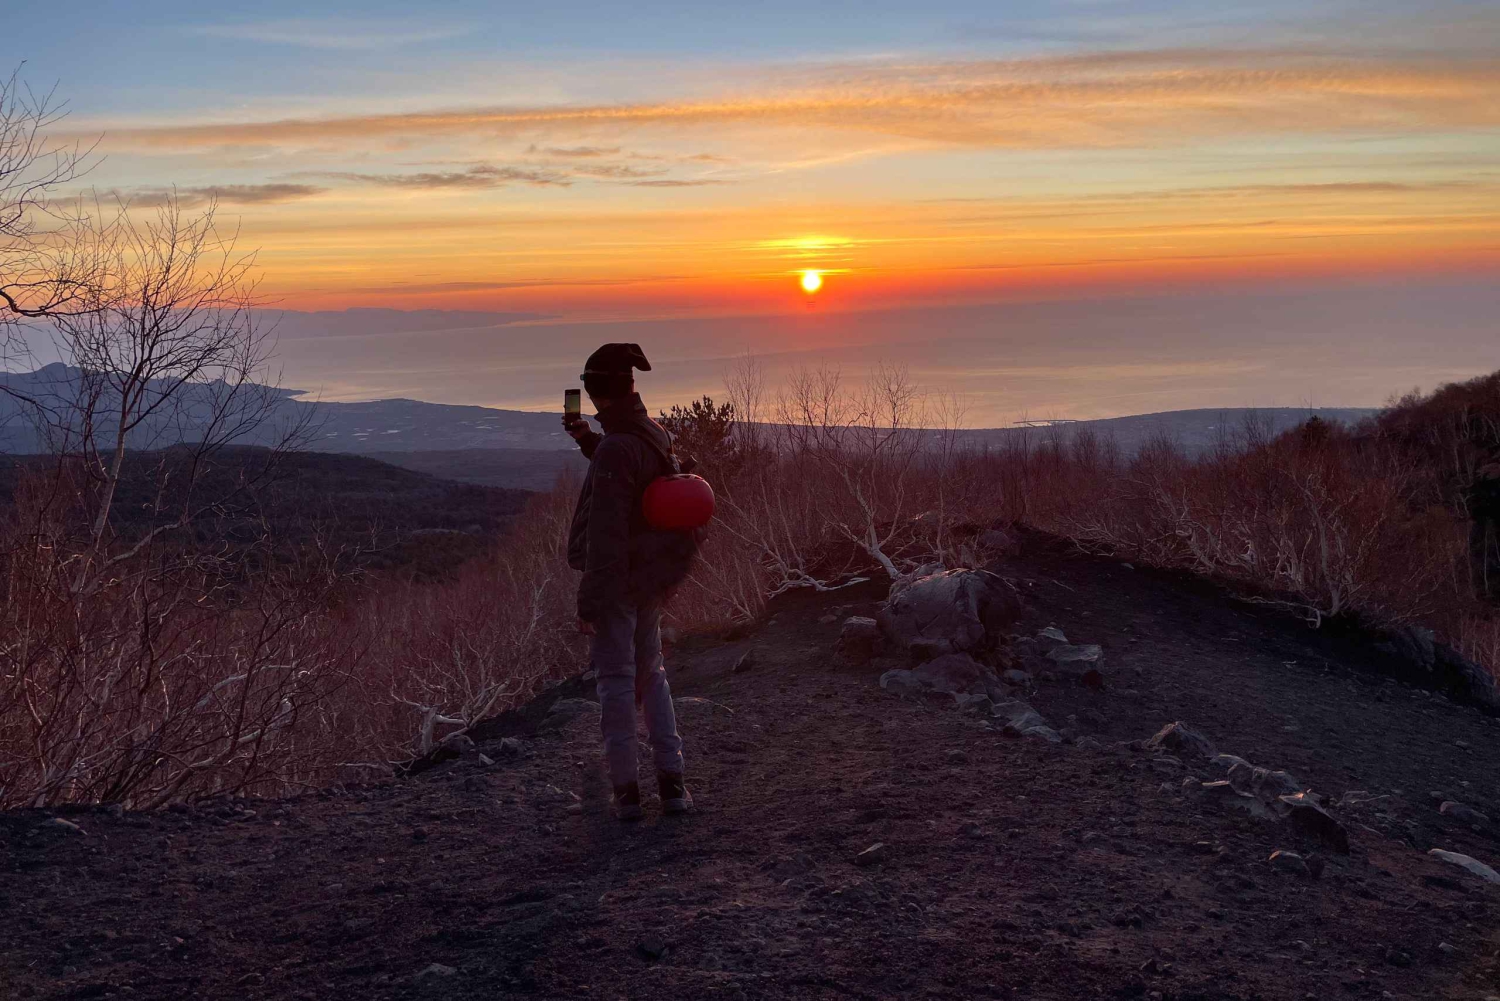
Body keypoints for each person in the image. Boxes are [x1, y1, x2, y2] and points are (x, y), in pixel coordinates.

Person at [563, 343, 691, 821]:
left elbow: (607, 533)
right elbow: (628, 474)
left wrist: (589, 602)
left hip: (618, 583)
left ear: (597, 395)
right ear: (631, 388)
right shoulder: (650, 434)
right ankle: (673, 784)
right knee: (651, 676)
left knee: (617, 682)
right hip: (649, 579)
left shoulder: (619, 446)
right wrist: (587, 442)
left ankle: (627, 793)